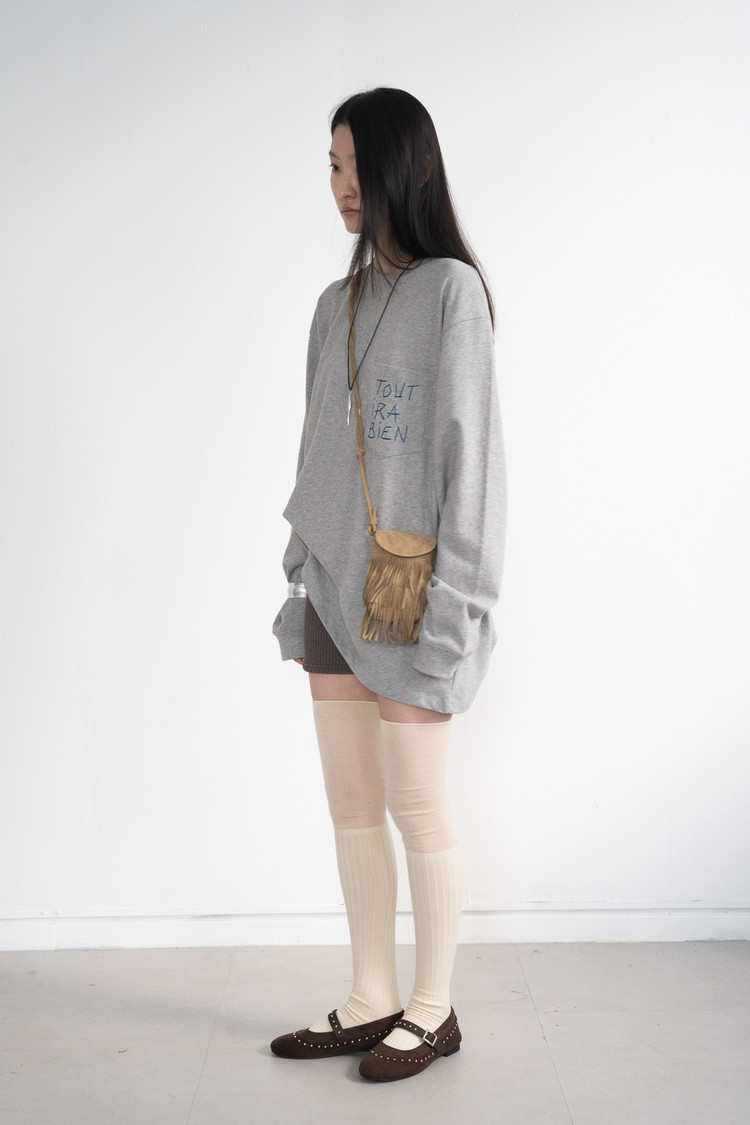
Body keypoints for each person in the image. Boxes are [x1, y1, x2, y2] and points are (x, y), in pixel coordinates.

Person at [271, 87, 506, 1082]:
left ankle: (434, 1007)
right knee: (352, 800)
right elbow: (317, 447)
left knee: (416, 801)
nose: (343, 185)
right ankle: (372, 996)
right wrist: (299, 570)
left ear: (409, 167)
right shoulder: (333, 308)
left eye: (358, 164)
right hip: (334, 587)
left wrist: (460, 609)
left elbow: (471, 463)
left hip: (411, 592)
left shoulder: (452, 292)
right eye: (333, 165)